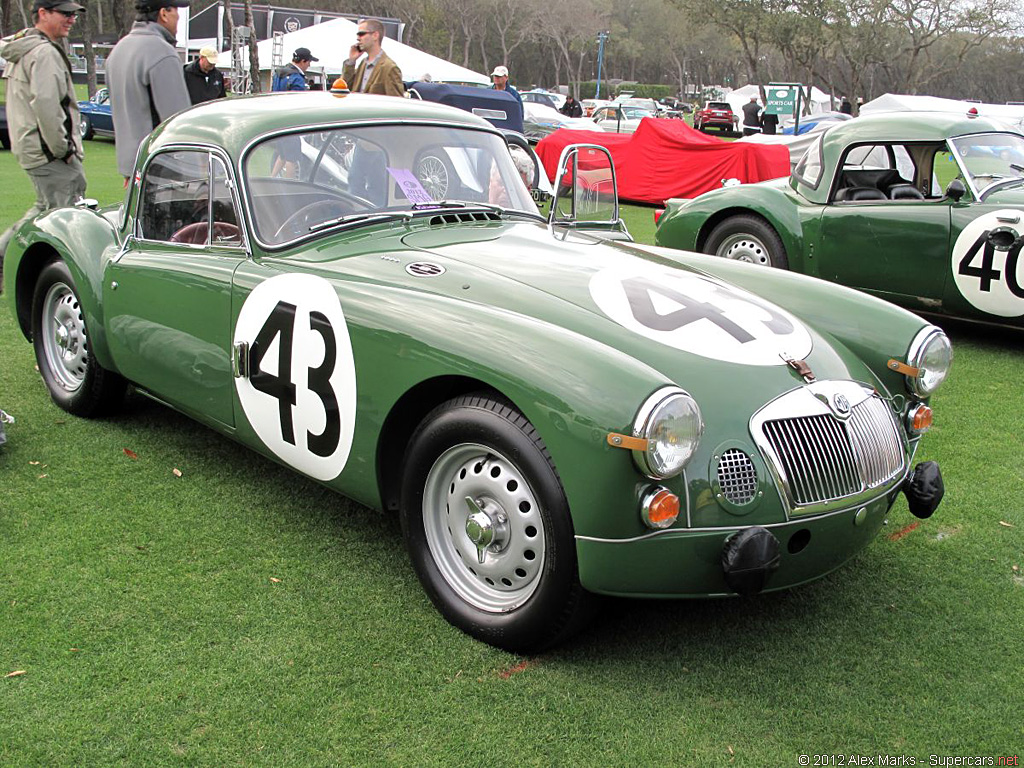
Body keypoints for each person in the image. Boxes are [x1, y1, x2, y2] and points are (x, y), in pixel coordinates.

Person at [0, 0, 87, 283]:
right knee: (61, 213)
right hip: (48, 151)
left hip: (35, 147)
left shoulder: (26, 49)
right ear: (43, 14)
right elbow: (48, 106)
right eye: (65, 13)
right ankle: (15, 261)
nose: (71, 19)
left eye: (73, 13)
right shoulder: (43, 53)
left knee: (44, 207)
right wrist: (62, 149)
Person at [105, 0, 191, 179]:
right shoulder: (161, 52)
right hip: (163, 170)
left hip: (131, 167)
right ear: (164, 14)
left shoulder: (118, 50)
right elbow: (178, 123)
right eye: (176, 11)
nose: (178, 18)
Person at [270, 48, 317, 178]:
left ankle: (272, 179)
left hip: (278, 120)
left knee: (283, 154)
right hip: (290, 122)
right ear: (302, 61)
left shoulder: (280, 73)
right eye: (308, 62)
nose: (309, 65)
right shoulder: (297, 78)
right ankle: (289, 186)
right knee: (292, 158)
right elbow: (298, 103)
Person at [342, 19, 404, 96]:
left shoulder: (390, 68)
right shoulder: (363, 64)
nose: (358, 38)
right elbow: (344, 89)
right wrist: (352, 60)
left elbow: (397, 103)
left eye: (361, 34)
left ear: (375, 35)